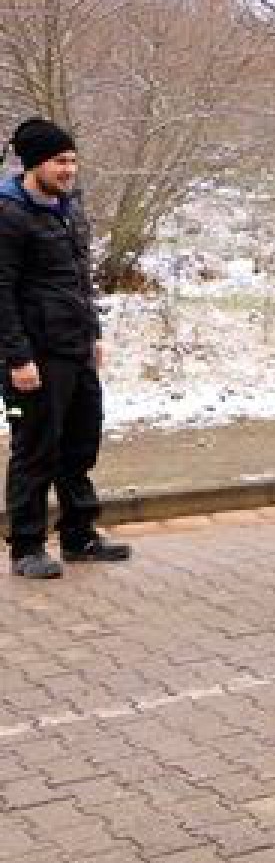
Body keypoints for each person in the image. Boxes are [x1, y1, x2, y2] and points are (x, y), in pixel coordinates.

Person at [0, 117, 130, 578]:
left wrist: (93, 333)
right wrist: (17, 358)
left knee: (80, 444)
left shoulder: (70, 207)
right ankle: (27, 546)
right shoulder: (9, 213)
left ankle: (79, 535)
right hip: (35, 356)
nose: (69, 169)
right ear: (34, 163)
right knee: (35, 449)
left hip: (74, 347)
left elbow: (80, 280)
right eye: (60, 161)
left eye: (73, 160)